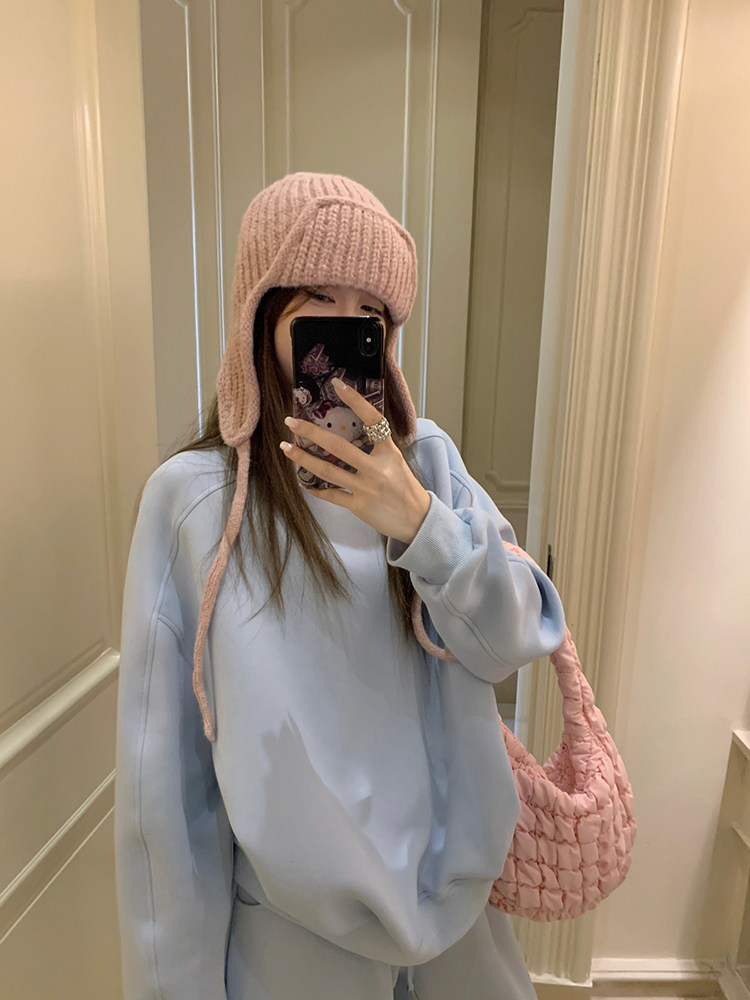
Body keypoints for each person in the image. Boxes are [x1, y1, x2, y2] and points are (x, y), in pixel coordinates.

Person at [114, 172, 566, 1000]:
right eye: (318, 303)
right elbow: (164, 796)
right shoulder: (195, 502)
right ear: (261, 315)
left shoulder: (431, 468)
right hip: (290, 946)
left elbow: (511, 644)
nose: (346, 330)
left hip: (462, 934)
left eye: (370, 315)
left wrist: (421, 524)